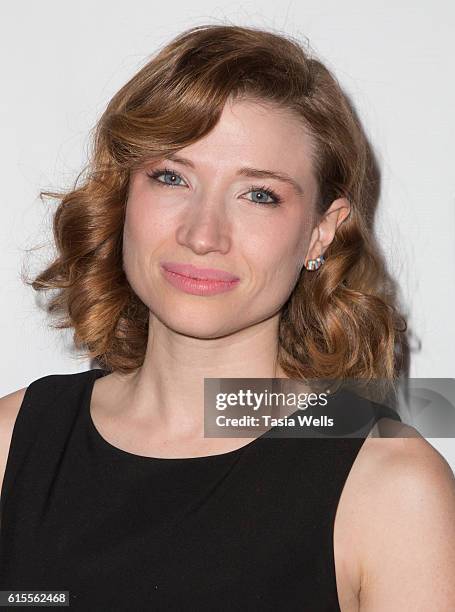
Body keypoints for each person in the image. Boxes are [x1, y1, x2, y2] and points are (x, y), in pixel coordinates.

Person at [1, 23, 454, 611]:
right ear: (122, 197)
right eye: (171, 177)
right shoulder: (14, 443)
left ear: (321, 229)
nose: (202, 234)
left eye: (258, 194)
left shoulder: (392, 486)